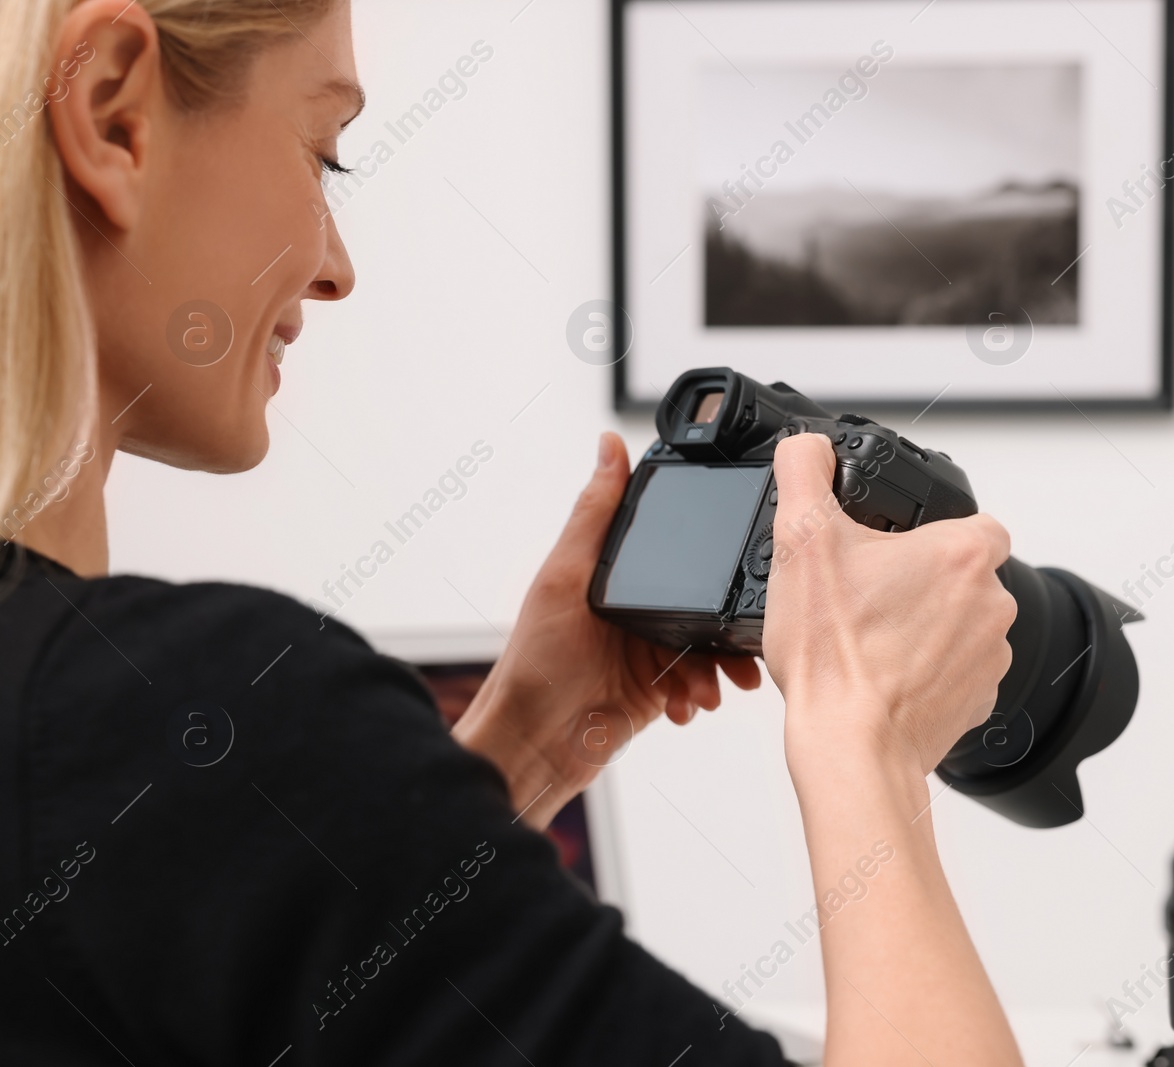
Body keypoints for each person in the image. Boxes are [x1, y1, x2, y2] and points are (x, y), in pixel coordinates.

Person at [0, 1, 1023, 1063]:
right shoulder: (198, 713)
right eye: (324, 155)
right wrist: (866, 736)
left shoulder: (116, 756)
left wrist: (527, 740)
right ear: (114, 112)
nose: (335, 266)